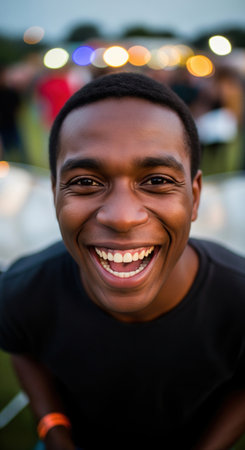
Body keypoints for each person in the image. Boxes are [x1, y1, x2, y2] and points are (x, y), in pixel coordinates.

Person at [0, 72, 245, 450]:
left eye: (157, 180)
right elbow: (23, 348)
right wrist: (55, 431)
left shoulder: (239, 297)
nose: (121, 216)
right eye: (85, 182)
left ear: (194, 197)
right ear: (55, 195)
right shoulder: (23, 288)